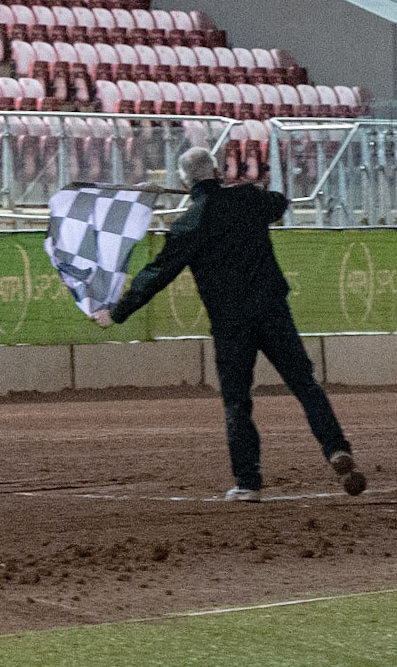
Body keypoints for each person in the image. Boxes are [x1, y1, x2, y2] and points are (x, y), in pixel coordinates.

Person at [90, 147, 366, 502]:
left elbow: (155, 275)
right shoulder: (248, 200)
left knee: (238, 403)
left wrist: (117, 312)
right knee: (305, 385)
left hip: (230, 324)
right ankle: (335, 448)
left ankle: (248, 483)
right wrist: (248, 187)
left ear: (183, 181)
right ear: (218, 171)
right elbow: (279, 203)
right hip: (272, 310)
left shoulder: (189, 225)